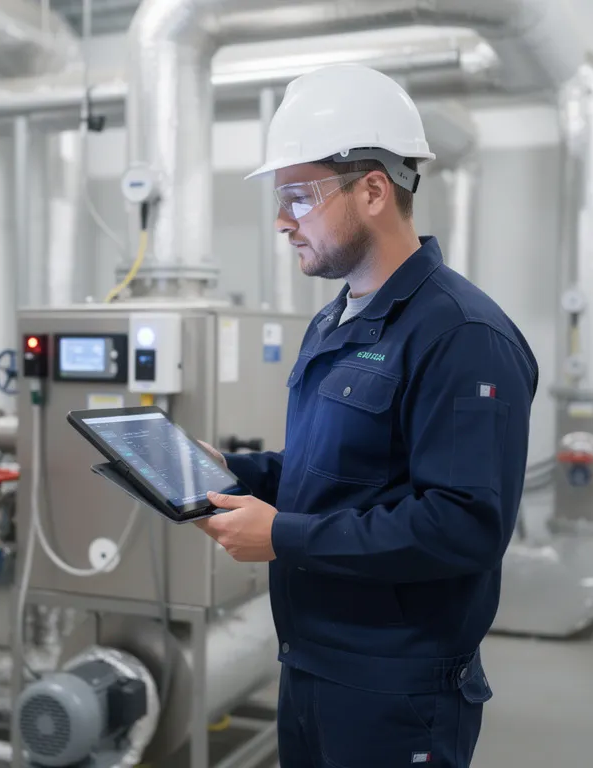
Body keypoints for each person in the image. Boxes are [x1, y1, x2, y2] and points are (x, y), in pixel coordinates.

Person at [193, 64, 538, 767]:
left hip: (396, 693)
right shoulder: (335, 319)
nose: (282, 220)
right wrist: (240, 472)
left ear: (374, 189)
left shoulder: (462, 335)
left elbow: (462, 526)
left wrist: (285, 536)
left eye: (298, 196)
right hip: (312, 665)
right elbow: (339, 471)